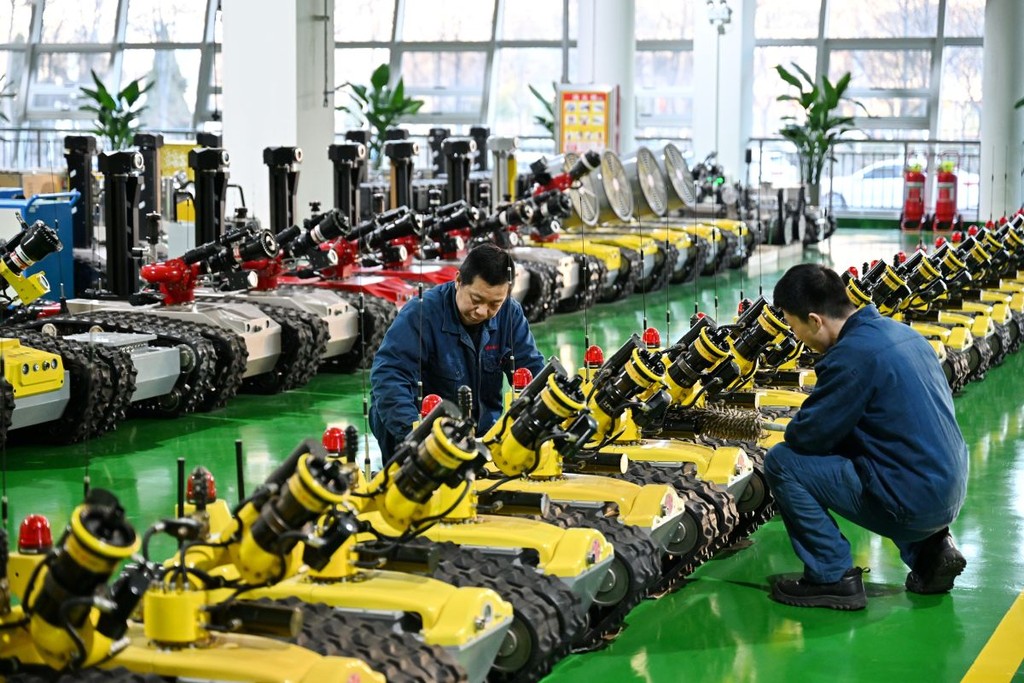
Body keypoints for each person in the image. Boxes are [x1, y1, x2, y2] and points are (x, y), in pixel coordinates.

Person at [764, 263, 968, 611]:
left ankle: (831, 577)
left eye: (794, 326)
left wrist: (792, 424)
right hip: (949, 494)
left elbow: (807, 437)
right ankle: (932, 552)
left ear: (815, 320)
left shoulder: (851, 357)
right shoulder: (902, 333)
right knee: (883, 449)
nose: (796, 337)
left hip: (912, 503)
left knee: (782, 462)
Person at [369, 242, 546, 462]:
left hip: (482, 434)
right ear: (458, 281)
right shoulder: (421, 314)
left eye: (495, 304)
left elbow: (532, 370)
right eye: (476, 300)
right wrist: (415, 437)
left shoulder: (510, 314)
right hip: (424, 433)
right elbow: (390, 376)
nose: (482, 311)